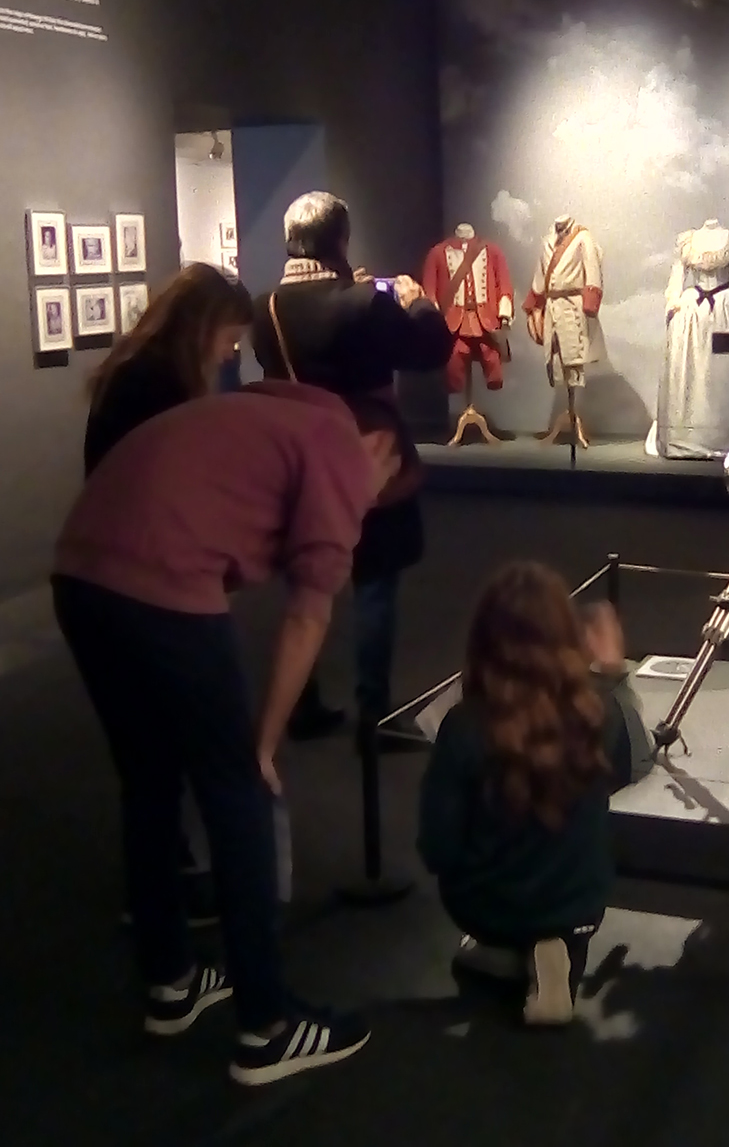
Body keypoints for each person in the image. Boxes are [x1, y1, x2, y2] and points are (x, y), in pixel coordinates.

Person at [53, 381, 401, 1086]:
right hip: (160, 579)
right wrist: (263, 744)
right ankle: (267, 1027)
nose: (367, 507)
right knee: (240, 790)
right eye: (384, 489)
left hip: (79, 572)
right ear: (381, 446)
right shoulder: (338, 444)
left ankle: (171, 980)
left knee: (149, 780)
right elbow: (308, 615)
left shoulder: (269, 414)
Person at [84, 262, 254, 926]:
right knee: (167, 756)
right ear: (204, 324)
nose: (231, 352)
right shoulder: (161, 385)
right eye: (230, 336)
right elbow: (175, 487)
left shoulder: (132, 373)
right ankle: (167, 911)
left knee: (147, 758)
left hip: (108, 576)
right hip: (146, 582)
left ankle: (160, 895)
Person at [252, 191, 454, 741]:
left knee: (306, 583)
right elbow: (430, 350)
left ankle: (302, 704)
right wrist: (416, 301)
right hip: (367, 461)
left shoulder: (266, 308)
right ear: (341, 239)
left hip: (299, 461)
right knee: (374, 584)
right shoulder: (366, 303)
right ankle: (374, 716)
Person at [418, 563, 650, 1027]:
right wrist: (613, 673)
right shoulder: (599, 709)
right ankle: (551, 946)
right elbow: (637, 765)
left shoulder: (463, 725)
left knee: (482, 880)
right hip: (581, 905)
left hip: (485, 908)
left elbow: (437, 848)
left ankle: (508, 951)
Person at [85, 262, 252, 476]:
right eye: (230, 339)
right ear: (202, 328)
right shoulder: (156, 380)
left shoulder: (137, 362)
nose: (229, 353)